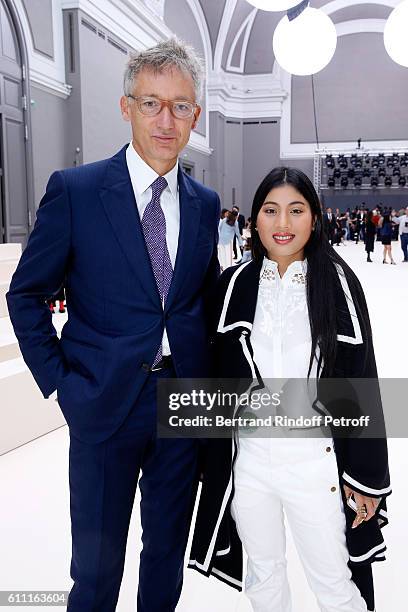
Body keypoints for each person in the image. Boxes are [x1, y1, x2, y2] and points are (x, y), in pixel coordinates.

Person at [7, 38, 220, 612]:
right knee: (97, 574)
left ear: (195, 116)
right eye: (151, 103)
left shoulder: (204, 202)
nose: (166, 119)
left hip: (183, 404)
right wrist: (62, 382)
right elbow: (24, 295)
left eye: (180, 106)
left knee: (165, 559)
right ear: (126, 107)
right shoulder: (76, 192)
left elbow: (207, 302)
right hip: (102, 405)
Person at [189, 168, 390, 612]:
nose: (283, 224)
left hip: (314, 467)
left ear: (315, 219)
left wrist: (368, 479)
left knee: (336, 587)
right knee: (264, 580)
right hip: (252, 467)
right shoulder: (233, 285)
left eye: (296, 211)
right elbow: (215, 379)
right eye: (271, 210)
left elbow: (363, 382)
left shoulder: (338, 285)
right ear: (254, 221)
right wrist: (207, 454)